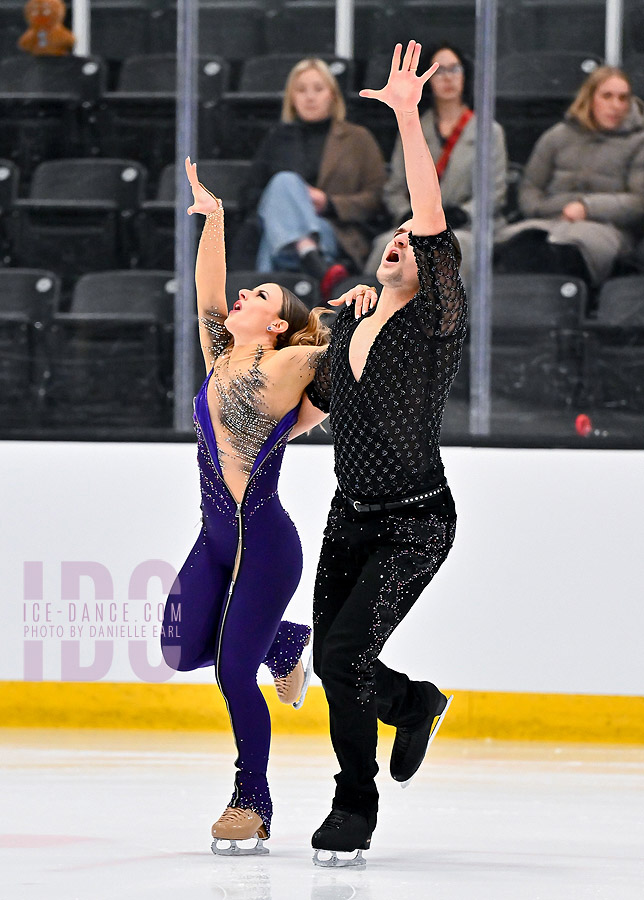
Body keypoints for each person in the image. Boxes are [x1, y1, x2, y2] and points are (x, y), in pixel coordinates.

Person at [294, 42, 467, 866]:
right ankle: (414, 700)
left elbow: (430, 218)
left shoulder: (434, 323)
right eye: (391, 237)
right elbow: (314, 412)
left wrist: (404, 114)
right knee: (340, 663)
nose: (400, 239)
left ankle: (353, 801)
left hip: (415, 523)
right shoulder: (345, 322)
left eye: (411, 240)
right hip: (348, 515)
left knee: (340, 654)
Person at [160, 157, 330, 856]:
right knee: (177, 650)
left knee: (234, 673)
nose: (240, 296)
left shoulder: (291, 365)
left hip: (265, 544)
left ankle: (250, 798)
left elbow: (339, 355)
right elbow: (205, 291)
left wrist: (359, 313)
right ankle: (286, 643)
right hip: (214, 541)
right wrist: (216, 219)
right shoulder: (218, 356)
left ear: (279, 324)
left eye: (257, 293)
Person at [240, 57, 387, 299]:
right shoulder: (277, 139)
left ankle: (266, 296)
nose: (310, 97)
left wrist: (329, 203)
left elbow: (377, 198)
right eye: (301, 90)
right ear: (291, 97)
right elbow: (249, 194)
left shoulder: (358, 138)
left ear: (333, 95)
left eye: (318, 89)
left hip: (333, 233)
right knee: (283, 183)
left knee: (282, 193)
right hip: (282, 238)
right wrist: (287, 201)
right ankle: (310, 254)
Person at [366, 42, 508, 290]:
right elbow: (395, 188)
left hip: (467, 226)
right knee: (384, 245)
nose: (448, 78)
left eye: (455, 69)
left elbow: (494, 193)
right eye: (439, 71)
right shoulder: (413, 126)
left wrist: (463, 213)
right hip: (417, 223)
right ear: (426, 79)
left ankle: (449, 324)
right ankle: (378, 322)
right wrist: (405, 214)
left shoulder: (488, 130)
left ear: (466, 75)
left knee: (454, 245)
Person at [496, 66, 644, 287]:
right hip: (548, 221)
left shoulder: (639, 141)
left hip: (605, 229)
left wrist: (587, 207)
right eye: (607, 96)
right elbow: (530, 188)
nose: (616, 105)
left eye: (623, 98)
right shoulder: (557, 136)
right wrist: (544, 209)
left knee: (565, 254)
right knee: (511, 246)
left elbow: (638, 201)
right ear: (590, 98)